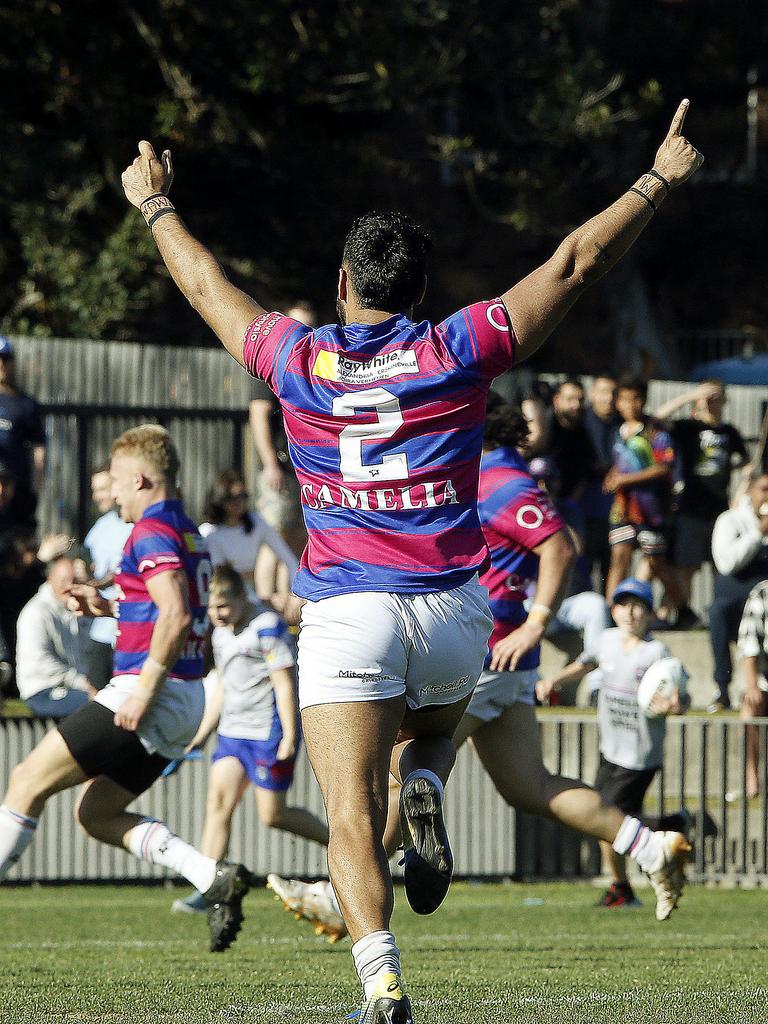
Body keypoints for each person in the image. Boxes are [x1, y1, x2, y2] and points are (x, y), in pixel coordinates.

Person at [121, 100, 702, 1022]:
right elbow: (574, 264)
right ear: (421, 290)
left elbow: (207, 288)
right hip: (457, 613)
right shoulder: (455, 346)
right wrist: (657, 179)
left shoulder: (298, 357)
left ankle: (382, 983)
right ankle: (428, 778)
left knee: (350, 813)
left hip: (351, 612)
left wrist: (154, 207)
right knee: (424, 737)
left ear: (343, 282)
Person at [269, 401, 692, 935]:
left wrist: (536, 624)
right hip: (496, 655)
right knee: (529, 786)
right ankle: (651, 846)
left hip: (485, 652)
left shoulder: (497, 479)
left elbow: (560, 546)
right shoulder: (500, 474)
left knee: (407, 769)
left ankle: (340, 896)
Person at [0, 425, 254, 953]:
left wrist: (141, 690)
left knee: (25, 782)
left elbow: (178, 614)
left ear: (139, 478)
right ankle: (211, 877)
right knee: (96, 814)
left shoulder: (152, 532)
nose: (111, 493)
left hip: (149, 690)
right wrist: (111, 607)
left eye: (115, 482)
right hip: (183, 695)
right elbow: (167, 608)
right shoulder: (187, 531)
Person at [172, 565, 329, 916]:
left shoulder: (267, 627)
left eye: (223, 607)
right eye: (212, 610)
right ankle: (208, 885)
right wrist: (201, 735)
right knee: (218, 804)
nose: (216, 615)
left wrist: (290, 735)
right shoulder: (220, 632)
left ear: (242, 598)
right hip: (233, 733)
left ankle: (342, 845)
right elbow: (223, 688)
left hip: (267, 733)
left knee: (273, 815)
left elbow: (285, 684)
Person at [538, 578, 690, 911]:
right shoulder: (606, 641)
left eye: (638, 606)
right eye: (624, 604)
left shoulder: (657, 653)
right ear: (614, 610)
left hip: (639, 756)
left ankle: (622, 886)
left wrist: (674, 706)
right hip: (610, 749)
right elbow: (586, 663)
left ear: (649, 613)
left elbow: (680, 695)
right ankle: (669, 827)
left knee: (607, 818)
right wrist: (554, 679)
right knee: (608, 819)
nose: (630, 612)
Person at [655, 380, 748, 623]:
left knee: (720, 564)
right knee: (687, 565)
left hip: (719, 508)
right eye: (706, 397)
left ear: (725, 401)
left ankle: (721, 615)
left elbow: (748, 464)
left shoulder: (730, 432)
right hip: (690, 508)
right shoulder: (689, 428)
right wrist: (689, 396)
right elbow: (656, 419)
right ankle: (683, 614)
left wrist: (739, 493)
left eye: (715, 397)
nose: (710, 402)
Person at [604, 375, 687, 621]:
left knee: (655, 562)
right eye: (625, 399)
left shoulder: (655, 431)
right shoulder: (616, 431)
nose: (631, 405)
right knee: (619, 557)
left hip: (651, 509)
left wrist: (625, 480)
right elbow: (622, 462)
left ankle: (683, 610)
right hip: (622, 507)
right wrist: (613, 476)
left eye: (636, 399)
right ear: (618, 402)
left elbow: (664, 467)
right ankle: (612, 614)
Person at [248, 303, 316, 559]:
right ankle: (266, 595)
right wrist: (270, 464)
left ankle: (289, 594)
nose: (304, 332)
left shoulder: (314, 366)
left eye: (309, 326)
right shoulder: (272, 364)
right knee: (273, 533)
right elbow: (258, 417)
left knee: (300, 534)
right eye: (298, 325)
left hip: (305, 467)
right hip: (279, 466)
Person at [200, 469, 299, 618]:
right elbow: (222, 579)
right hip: (227, 598)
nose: (239, 502)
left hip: (258, 591)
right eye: (232, 498)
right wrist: (265, 601)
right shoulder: (209, 533)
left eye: (243, 496)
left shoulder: (256, 523)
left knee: (269, 553)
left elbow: (289, 559)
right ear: (220, 499)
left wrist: (295, 594)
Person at [709, 474, 768, 712]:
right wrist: (758, 533)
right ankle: (722, 689)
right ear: (750, 493)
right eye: (763, 489)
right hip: (736, 608)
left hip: (766, 610)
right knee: (717, 612)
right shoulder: (730, 521)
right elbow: (726, 563)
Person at [15, 555, 94, 718]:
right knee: (98, 708)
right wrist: (82, 683)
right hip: (42, 691)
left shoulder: (74, 611)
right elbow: (42, 662)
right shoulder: (36, 612)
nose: (70, 587)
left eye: (75, 581)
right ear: (50, 579)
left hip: (73, 688)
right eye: (64, 581)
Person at [83, 462, 133, 690]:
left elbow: (125, 569)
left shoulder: (134, 525)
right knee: (95, 689)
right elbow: (87, 558)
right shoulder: (101, 525)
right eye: (94, 490)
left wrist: (99, 582)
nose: (96, 496)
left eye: (102, 489)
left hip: (128, 627)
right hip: (101, 628)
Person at [0, 336, 46, 530]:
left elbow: (39, 451)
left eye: (5, 358)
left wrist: (34, 491)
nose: (1, 364)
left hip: (16, 494)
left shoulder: (26, 404)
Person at [582, 373, 620, 590]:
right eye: (604, 392)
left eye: (613, 393)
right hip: (584, 507)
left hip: (614, 510)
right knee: (583, 567)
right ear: (593, 394)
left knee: (612, 567)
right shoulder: (582, 421)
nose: (609, 398)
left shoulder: (621, 423)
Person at [736, 580, 768, 798]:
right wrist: (752, 686)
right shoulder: (762, 594)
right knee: (750, 706)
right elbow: (749, 646)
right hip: (765, 680)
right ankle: (752, 778)